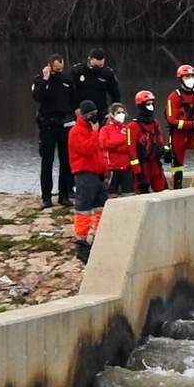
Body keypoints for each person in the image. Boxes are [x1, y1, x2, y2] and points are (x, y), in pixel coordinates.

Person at [32, 53, 75, 209]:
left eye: (61, 68)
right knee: (47, 161)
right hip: (47, 125)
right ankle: (46, 197)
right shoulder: (39, 80)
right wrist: (45, 79)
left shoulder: (67, 80)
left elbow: (73, 99)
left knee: (66, 161)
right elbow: (37, 97)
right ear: (49, 66)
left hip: (65, 124)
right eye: (56, 68)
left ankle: (64, 195)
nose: (59, 71)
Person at [68, 100, 108, 264]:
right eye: (91, 115)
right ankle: (81, 242)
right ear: (84, 116)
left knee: (101, 208)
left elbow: (99, 154)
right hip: (84, 174)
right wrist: (94, 132)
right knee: (83, 209)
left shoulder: (93, 131)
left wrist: (105, 173)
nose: (94, 117)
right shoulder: (76, 132)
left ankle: (99, 238)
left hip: (97, 175)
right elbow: (88, 150)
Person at [127, 90, 169, 195]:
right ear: (141, 105)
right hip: (142, 166)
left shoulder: (155, 123)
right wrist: (138, 174)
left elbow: (160, 141)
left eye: (152, 104)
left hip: (156, 164)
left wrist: (167, 151)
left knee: (164, 192)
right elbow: (131, 152)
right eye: (148, 104)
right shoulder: (133, 126)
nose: (151, 107)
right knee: (142, 195)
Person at [70, 48, 121, 120]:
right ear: (89, 59)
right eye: (94, 65)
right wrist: (75, 108)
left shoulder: (107, 73)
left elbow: (115, 94)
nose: (97, 68)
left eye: (100, 66)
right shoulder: (77, 71)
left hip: (100, 112)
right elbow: (69, 91)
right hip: (81, 112)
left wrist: (113, 111)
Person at [99, 102, 135, 198]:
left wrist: (117, 146)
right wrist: (121, 142)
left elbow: (129, 145)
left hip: (126, 167)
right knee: (111, 195)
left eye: (123, 112)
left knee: (129, 195)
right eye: (118, 112)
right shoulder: (105, 129)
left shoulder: (126, 128)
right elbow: (104, 144)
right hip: (112, 167)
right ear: (112, 114)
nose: (121, 115)